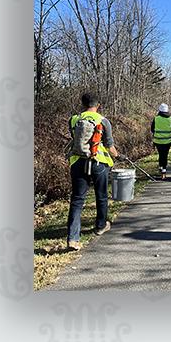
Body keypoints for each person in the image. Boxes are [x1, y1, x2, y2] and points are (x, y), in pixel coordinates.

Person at [66, 93, 120, 251]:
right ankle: (100, 226)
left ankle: (73, 239)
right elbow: (109, 146)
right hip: (98, 163)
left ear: (82, 104)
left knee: (77, 199)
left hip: (77, 162)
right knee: (101, 196)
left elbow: (76, 140)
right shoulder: (103, 121)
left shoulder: (74, 119)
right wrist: (118, 155)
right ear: (98, 105)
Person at [151, 103, 171, 179]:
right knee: (165, 155)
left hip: (158, 141)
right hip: (167, 141)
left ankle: (160, 167)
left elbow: (152, 129)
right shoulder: (170, 118)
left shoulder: (156, 118)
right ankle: (164, 170)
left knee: (160, 154)